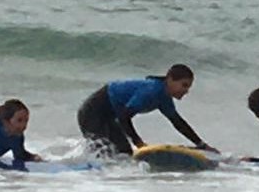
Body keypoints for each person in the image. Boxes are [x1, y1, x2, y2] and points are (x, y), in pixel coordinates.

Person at [76, 64, 216, 156]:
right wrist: (139, 143)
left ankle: (105, 180)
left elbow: (178, 122)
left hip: (109, 116)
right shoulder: (152, 90)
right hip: (92, 112)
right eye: (184, 85)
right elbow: (124, 117)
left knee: (123, 153)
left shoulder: (164, 97)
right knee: (103, 152)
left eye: (189, 87)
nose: (186, 91)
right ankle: (87, 173)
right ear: (170, 79)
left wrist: (201, 144)